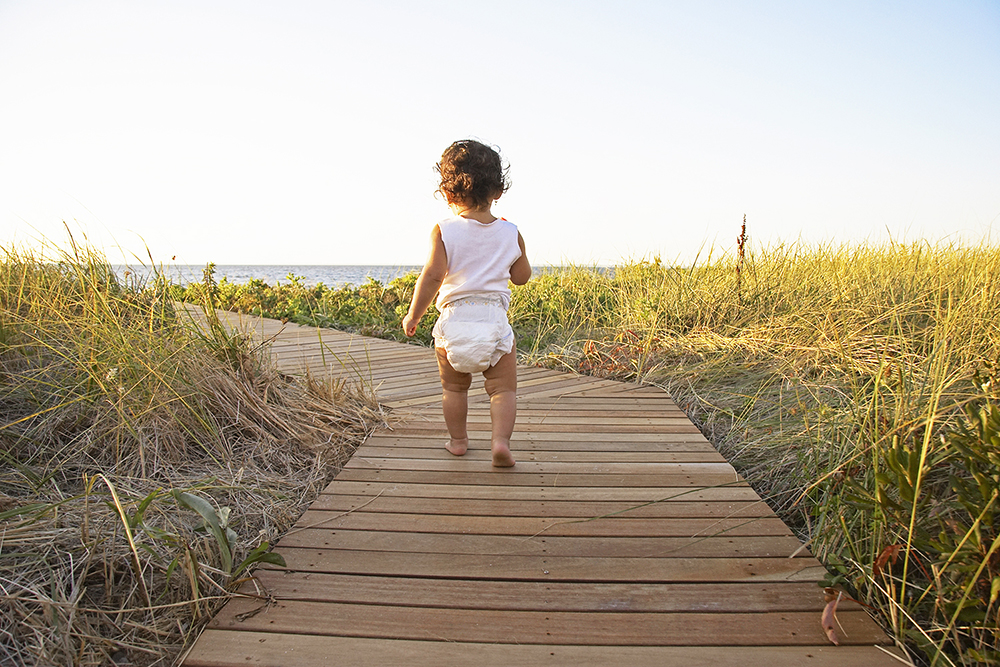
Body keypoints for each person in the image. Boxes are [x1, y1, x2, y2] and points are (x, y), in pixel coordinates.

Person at [402, 139, 531, 468]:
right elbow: (521, 276)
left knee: (454, 390)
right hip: (494, 321)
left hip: (454, 321)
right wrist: (515, 252)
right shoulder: (510, 232)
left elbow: (431, 277)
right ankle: (500, 442)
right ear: (498, 191)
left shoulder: (444, 231)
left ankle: (458, 442)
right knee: (503, 390)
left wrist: (413, 315)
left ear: (446, 193)